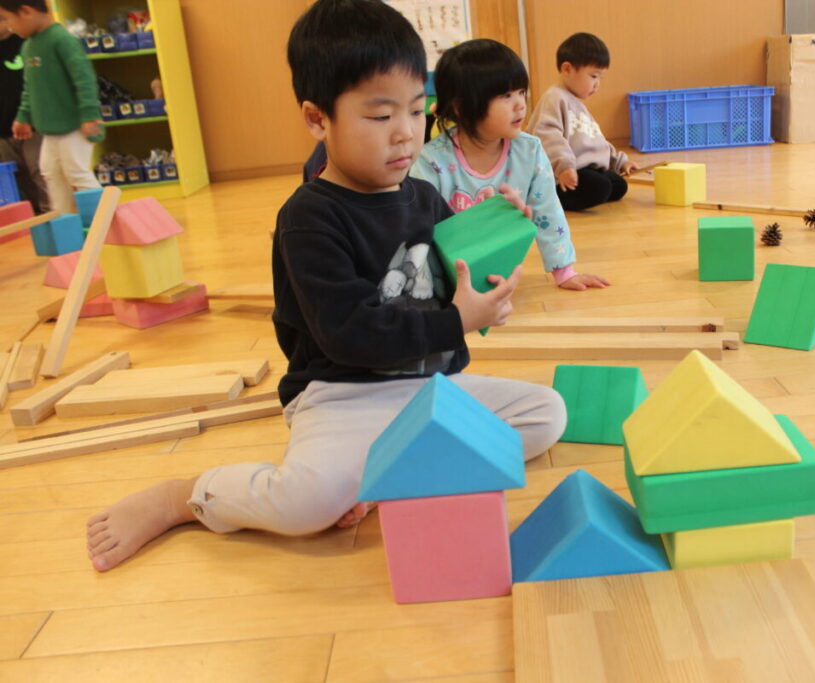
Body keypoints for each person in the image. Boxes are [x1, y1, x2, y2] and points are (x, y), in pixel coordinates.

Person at [84, 0, 566, 573]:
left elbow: (457, 285)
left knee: (545, 415)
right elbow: (350, 334)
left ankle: (386, 473)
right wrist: (456, 320)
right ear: (317, 119)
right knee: (307, 503)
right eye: (380, 116)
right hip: (343, 393)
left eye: (418, 110)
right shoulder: (309, 217)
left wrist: (497, 240)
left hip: (429, 386)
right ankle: (184, 497)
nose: (406, 133)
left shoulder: (424, 197)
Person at [411, 39, 611, 291]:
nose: (520, 105)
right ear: (462, 107)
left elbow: (548, 212)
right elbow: (417, 234)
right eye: (506, 96)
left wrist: (564, 271)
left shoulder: (529, 151)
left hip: (497, 265)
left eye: (521, 92)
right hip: (443, 277)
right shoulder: (431, 161)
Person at [0, 0, 101, 215]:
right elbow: (29, 88)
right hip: (50, 130)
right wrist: (23, 117)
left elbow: (84, 80)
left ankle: (104, 220)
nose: (9, 26)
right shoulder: (28, 46)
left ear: (26, 12)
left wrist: (90, 115)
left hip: (73, 125)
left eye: (8, 18)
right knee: (50, 173)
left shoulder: (62, 40)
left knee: (77, 173)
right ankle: (64, 221)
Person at [526, 32, 638, 212]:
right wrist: (563, 167)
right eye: (593, 76)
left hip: (584, 169)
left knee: (618, 185)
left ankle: (589, 189)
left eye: (600, 78)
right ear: (567, 69)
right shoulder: (554, 98)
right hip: (560, 175)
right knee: (599, 187)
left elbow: (597, 141)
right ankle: (551, 197)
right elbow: (548, 137)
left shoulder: (579, 105)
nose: (597, 84)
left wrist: (620, 162)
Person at [0, 10, 48, 213]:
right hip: (3, 132)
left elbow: (37, 85)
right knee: (14, 180)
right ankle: (31, 220)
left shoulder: (26, 44)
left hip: (32, 126)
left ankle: (54, 217)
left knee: (41, 173)